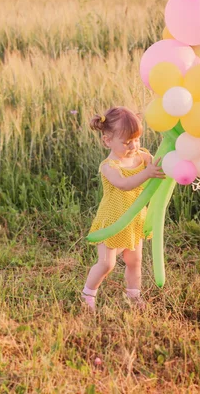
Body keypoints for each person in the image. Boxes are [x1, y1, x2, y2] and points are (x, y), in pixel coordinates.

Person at [82, 106, 165, 311]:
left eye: (136, 139)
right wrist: (148, 174)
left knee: (134, 261)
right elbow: (124, 184)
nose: (133, 145)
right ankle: (87, 294)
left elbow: (158, 164)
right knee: (106, 264)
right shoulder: (110, 166)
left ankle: (134, 296)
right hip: (113, 220)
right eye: (127, 142)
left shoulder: (142, 157)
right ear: (108, 140)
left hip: (135, 219)